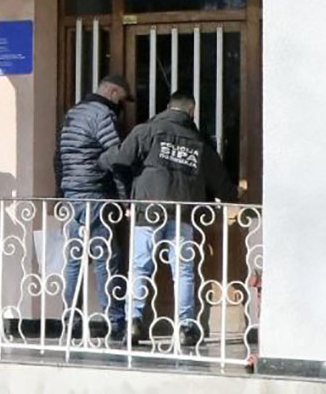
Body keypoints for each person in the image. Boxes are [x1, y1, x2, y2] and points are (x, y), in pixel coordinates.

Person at [100, 91, 240, 346]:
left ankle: (133, 322)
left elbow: (120, 159)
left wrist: (103, 162)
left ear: (167, 107)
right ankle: (185, 327)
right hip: (182, 212)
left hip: (148, 211)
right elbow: (219, 181)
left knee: (140, 267)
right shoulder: (198, 141)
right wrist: (235, 194)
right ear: (191, 112)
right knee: (183, 270)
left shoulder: (146, 131)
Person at [53, 74, 133, 340]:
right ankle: (115, 321)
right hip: (96, 194)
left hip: (73, 194)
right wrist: (125, 199)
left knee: (74, 259)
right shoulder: (103, 115)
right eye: (121, 100)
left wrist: (60, 193)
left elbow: (58, 157)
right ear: (112, 92)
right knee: (106, 259)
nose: (121, 107)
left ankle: (71, 320)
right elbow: (115, 159)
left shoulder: (73, 114)